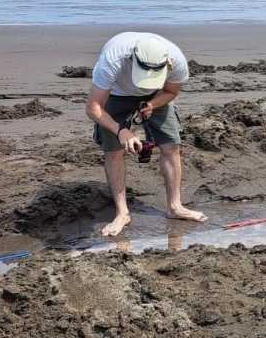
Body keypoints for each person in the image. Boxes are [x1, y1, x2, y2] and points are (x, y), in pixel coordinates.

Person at [85, 32, 207, 237]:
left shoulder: (176, 61)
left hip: (156, 94)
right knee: (114, 150)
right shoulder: (112, 60)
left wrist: (152, 104)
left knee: (171, 144)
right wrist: (121, 131)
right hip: (116, 93)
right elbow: (93, 107)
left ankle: (175, 206)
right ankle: (122, 213)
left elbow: (171, 91)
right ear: (132, 59)